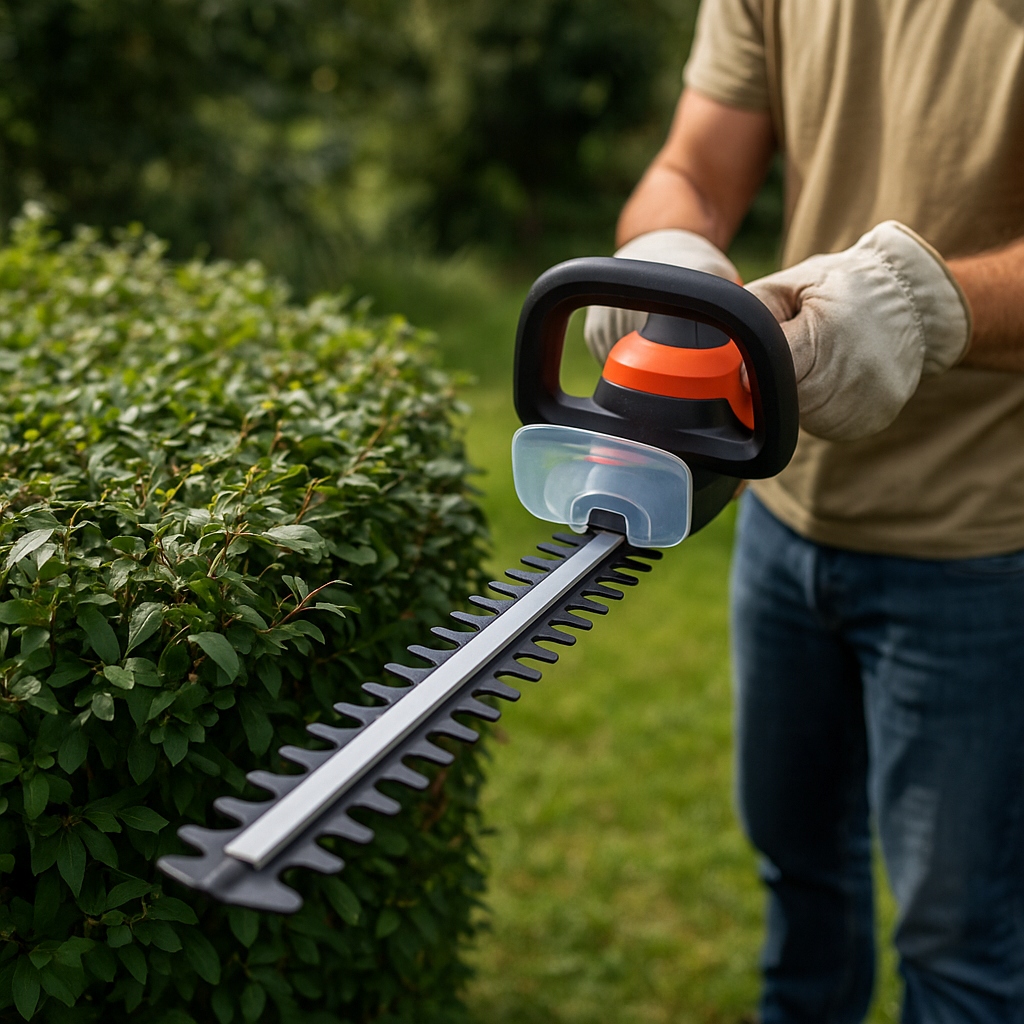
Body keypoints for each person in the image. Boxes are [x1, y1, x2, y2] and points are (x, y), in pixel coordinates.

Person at [584, 2, 1024, 1021]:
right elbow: (693, 164)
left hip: (982, 543)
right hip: (783, 518)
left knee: (958, 944)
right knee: (800, 879)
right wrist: (664, 248)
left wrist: (927, 305)